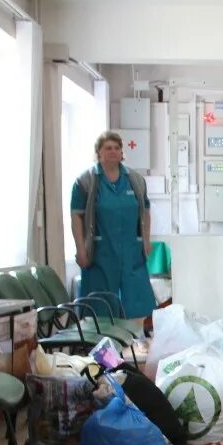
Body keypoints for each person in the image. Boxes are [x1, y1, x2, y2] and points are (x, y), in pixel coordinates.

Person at [71, 131, 156, 322]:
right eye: (108, 148)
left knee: (138, 301)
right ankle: (103, 344)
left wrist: (146, 241)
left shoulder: (135, 180)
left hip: (131, 251)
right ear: (99, 152)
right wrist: (80, 248)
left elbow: (145, 212)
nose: (113, 152)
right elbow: (76, 215)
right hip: (100, 252)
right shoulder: (86, 182)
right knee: (100, 305)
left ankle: (135, 343)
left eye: (117, 148)